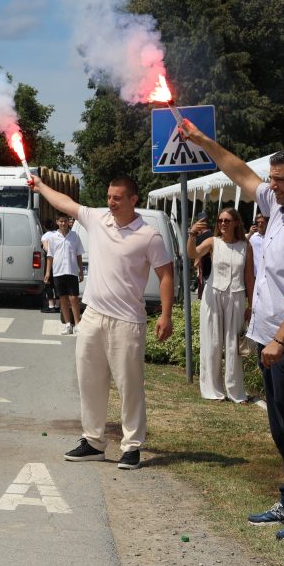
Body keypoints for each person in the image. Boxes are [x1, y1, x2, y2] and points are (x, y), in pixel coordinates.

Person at [181, 120, 284, 540]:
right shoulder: (278, 207)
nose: (271, 186)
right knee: (282, 429)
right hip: (270, 341)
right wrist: (202, 141)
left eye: (280, 180)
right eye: (272, 179)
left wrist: (280, 339)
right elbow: (240, 172)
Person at [30, 174, 173, 470]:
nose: (111, 202)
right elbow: (66, 203)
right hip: (93, 315)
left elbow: (166, 275)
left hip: (127, 321)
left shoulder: (149, 235)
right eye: (109, 197)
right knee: (89, 381)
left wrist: (166, 314)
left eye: (117, 198)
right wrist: (41, 186)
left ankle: (131, 446)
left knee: (129, 386)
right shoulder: (98, 219)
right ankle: (93, 442)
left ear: (133, 199)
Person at [186, 208, 253, 402]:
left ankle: (235, 391)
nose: (222, 223)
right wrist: (192, 234)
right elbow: (192, 254)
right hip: (213, 295)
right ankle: (212, 390)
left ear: (236, 223)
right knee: (212, 342)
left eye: (227, 220)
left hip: (237, 297)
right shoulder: (212, 242)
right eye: (220, 220)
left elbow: (249, 277)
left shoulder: (245, 246)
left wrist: (251, 305)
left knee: (234, 344)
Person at [44, 214, 85, 335]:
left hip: (72, 271)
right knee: (63, 299)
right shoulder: (53, 237)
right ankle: (68, 325)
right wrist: (47, 272)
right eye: (61, 221)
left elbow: (78, 254)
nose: (63, 223)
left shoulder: (74, 236)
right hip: (58, 272)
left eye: (65, 221)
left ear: (69, 222)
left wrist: (81, 270)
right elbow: (50, 256)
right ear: (57, 222)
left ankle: (77, 324)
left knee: (74, 298)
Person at [40, 220, 61, 313]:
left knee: (48, 283)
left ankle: (51, 305)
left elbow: (46, 248)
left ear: (44, 227)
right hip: (59, 261)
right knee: (57, 283)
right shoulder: (57, 234)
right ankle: (58, 305)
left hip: (50, 261)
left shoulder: (45, 236)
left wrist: (51, 254)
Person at [249, 213, 267, 282]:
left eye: (262, 222)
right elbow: (242, 244)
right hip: (254, 273)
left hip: (267, 273)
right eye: (258, 222)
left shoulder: (270, 236)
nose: (260, 224)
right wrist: (250, 234)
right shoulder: (252, 237)